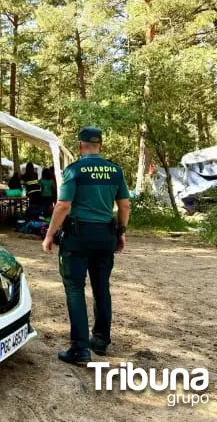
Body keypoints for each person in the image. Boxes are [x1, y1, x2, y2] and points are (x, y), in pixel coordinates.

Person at [42, 127, 131, 365]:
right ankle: (100, 341)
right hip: (105, 236)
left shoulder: (75, 170)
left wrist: (49, 235)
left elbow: (62, 205)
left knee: (75, 289)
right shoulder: (115, 171)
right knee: (102, 288)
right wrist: (121, 232)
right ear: (100, 145)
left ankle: (80, 349)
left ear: (80, 145)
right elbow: (124, 205)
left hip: (78, 237)